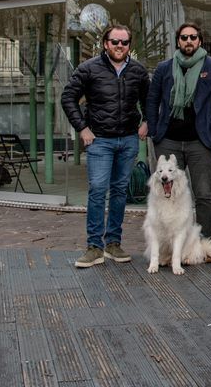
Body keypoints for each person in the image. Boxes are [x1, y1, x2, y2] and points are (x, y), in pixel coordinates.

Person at [60, 23, 149, 268]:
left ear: (129, 45)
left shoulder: (138, 71)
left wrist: (147, 121)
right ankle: (94, 247)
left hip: (128, 139)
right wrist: (82, 128)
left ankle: (113, 243)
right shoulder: (88, 69)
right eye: (115, 42)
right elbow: (68, 97)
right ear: (105, 44)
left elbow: (149, 99)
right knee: (98, 190)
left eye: (124, 42)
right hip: (99, 141)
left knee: (120, 191)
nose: (120, 46)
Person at [145, 22, 211, 239]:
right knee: (169, 195)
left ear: (200, 41)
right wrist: (154, 130)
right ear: (178, 41)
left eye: (193, 37)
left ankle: (203, 242)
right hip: (168, 141)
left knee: (204, 194)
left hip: (201, 142)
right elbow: (151, 100)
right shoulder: (164, 68)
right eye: (184, 37)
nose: (189, 41)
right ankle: (171, 240)